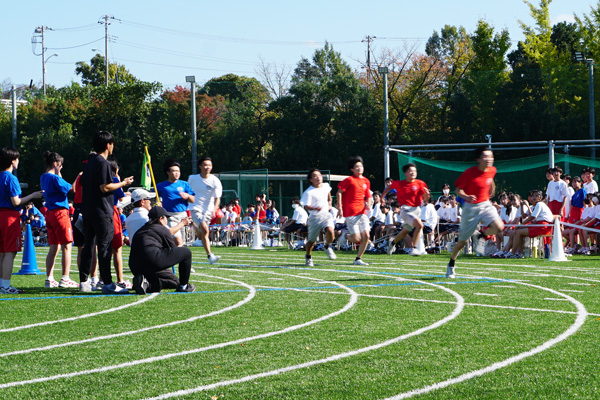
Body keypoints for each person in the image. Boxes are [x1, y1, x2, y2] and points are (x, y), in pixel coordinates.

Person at [79, 131, 134, 293]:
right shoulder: (103, 163)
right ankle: (108, 284)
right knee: (104, 247)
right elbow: (105, 187)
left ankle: (84, 282)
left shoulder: (89, 162)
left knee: (89, 246)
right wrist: (123, 183)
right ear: (108, 145)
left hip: (88, 210)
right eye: (112, 143)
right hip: (102, 211)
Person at [446, 146, 504, 278]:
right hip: (470, 208)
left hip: (485, 204)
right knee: (463, 242)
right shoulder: (469, 173)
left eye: (491, 156)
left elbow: (490, 180)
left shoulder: (492, 170)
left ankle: (480, 237)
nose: (489, 159)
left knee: (499, 227)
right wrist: (466, 197)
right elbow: (458, 190)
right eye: (486, 156)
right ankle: (451, 264)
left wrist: (492, 189)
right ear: (478, 159)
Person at [0, 147, 43, 294]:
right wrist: (32, 196)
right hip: (9, 217)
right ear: (13, 161)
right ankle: (5, 285)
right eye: (17, 159)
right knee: (10, 252)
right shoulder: (11, 178)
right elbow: (15, 202)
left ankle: (1, 284)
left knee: (1, 252)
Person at [129, 206, 195, 294]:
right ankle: (184, 286)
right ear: (161, 219)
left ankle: (146, 283)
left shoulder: (141, 230)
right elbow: (171, 250)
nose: (166, 220)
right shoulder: (163, 229)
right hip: (152, 259)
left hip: (134, 265)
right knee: (186, 253)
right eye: (166, 218)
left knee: (157, 286)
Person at [40, 151, 78, 289]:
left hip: (50, 214)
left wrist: (58, 172)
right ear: (56, 164)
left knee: (53, 247)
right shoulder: (55, 179)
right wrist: (79, 176)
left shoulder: (43, 177)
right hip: (60, 213)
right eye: (60, 165)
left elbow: (60, 184)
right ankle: (65, 278)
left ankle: (49, 278)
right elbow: (71, 188)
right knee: (67, 246)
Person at [382, 163, 430, 256]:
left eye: (415, 171)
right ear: (405, 173)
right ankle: (414, 249)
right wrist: (382, 197)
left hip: (416, 210)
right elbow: (389, 187)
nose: (413, 173)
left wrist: (427, 194)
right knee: (419, 225)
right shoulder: (400, 183)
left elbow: (426, 199)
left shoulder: (420, 183)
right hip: (406, 210)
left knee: (404, 232)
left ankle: (392, 244)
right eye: (410, 171)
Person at [336, 156, 372, 265]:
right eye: (357, 167)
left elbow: (368, 195)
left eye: (361, 166)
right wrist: (340, 208)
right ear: (352, 169)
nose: (359, 168)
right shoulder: (349, 180)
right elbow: (339, 192)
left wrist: (369, 204)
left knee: (366, 236)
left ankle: (358, 259)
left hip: (362, 213)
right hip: (351, 212)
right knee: (356, 238)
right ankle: (345, 235)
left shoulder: (366, 181)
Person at [188, 156, 221, 264]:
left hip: (208, 211)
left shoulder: (215, 180)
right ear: (200, 166)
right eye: (205, 165)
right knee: (205, 229)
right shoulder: (192, 178)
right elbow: (187, 191)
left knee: (204, 232)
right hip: (195, 208)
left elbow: (217, 198)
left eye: (209, 165)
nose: (208, 167)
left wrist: (214, 210)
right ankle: (210, 255)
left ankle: (209, 255)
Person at [301, 169, 337, 265]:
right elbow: (306, 205)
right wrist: (315, 208)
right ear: (310, 179)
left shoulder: (325, 186)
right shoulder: (308, 192)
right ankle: (308, 256)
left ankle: (327, 246)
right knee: (311, 242)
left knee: (330, 231)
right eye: (315, 176)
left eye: (319, 175)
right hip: (315, 218)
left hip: (326, 215)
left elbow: (329, 197)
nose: (318, 177)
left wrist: (330, 204)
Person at [156, 159, 195, 247]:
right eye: (174, 171)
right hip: (170, 216)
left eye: (178, 171)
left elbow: (193, 199)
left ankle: (176, 258)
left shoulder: (184, 184)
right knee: (178, 241)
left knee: (181, 243)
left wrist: (187, 196)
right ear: (168, 172)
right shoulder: (161, 186)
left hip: (183, 216)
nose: (176, 173)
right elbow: (153, 197)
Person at [505, 190, 554, 258]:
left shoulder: (539, 204)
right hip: (539, 225)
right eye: (533, 196)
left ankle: (513, 253)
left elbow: (532, 217)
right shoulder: (535, 206)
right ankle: (519, 253)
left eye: (536, 196)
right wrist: (522, 206)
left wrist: (522, 224)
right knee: (518, 231)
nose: (534, 197)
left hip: (543, 226)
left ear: (540, 198)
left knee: (518, 232)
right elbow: (524, 216)